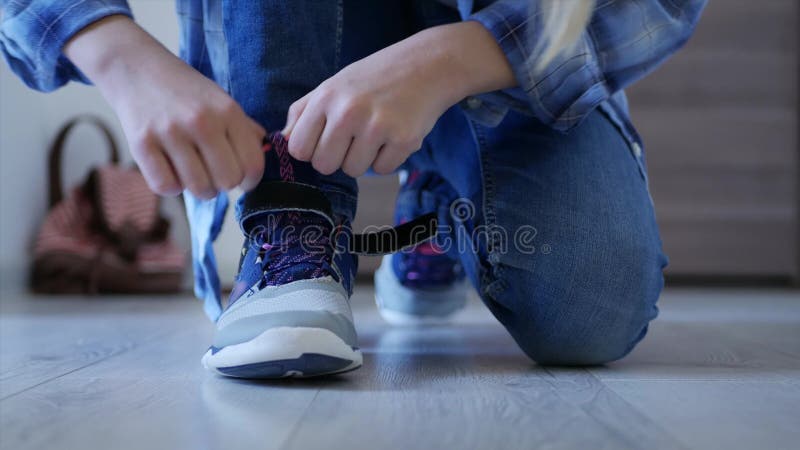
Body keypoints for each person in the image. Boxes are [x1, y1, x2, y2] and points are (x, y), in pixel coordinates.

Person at [1, 0, 706, 378]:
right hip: (283, 26)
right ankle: (291, 228)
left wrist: (455, 57)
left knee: (589, 304)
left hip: (501, 42)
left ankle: (433, 196)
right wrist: (120, 57)